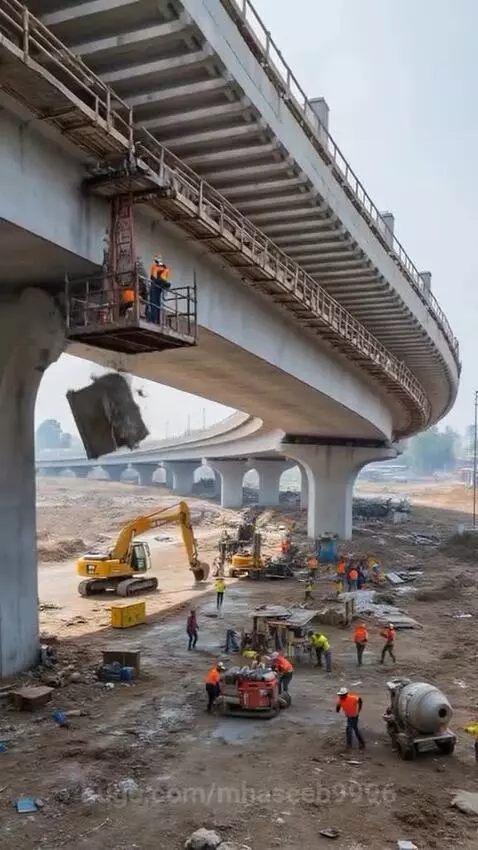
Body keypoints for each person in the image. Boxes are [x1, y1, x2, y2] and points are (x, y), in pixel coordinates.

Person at [149, 255, 171, 323]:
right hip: (155, 289)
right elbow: (153, 278)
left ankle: (156, 320)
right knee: (154, 305)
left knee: (155, 305)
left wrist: (164, 283)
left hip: (156, 290)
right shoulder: (158, 269)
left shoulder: (160, 269)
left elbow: (154, 278)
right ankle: (155, 320)